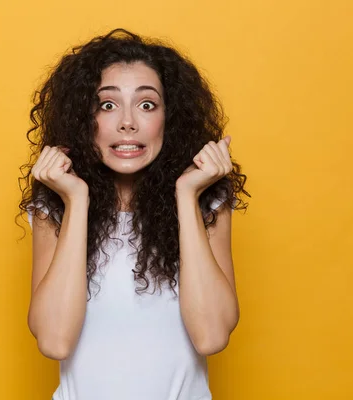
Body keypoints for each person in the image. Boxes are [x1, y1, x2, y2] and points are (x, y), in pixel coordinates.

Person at [16, 28, 250, 400]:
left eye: (146, 104)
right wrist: (76, 201)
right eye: (107, 105)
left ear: (168, 119)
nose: (128, 122)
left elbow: (211, 336)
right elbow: (55, 341)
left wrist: (187, 195)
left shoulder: (208, 204)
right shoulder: (54, 208)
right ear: (83, 119)